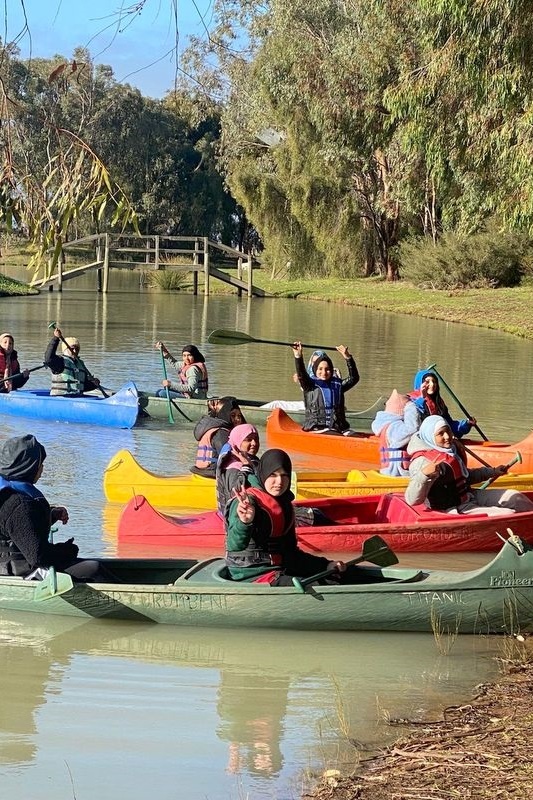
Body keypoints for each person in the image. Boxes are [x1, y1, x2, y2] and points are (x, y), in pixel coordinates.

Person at [224, 448, 347, 584]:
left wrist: (325, 565)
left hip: (280, 568)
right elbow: (234, 545)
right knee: (327, 584)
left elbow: (292, 554)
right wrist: (245, 523)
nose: (279, 482)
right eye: (273, 475)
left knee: (344, 574)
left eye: (284, 475)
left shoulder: (284, 503)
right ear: (264, 474)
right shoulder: (246, 502)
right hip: (251, 573)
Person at [0, 434, 114, 581]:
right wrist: (67, 551)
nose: (42, 469)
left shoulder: (9, 494)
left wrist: (51, 515)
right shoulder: (19, 504)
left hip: (19, 564)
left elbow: (16, 527)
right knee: (94, 569)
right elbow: (38, 556)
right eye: (39, 465)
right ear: (28, 468)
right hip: (21, 571)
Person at [404, 415, 533, 515]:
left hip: (469, 496)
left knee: (516, 498)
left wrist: (493, 471)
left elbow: (466, 476)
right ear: (431, 437)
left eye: (448, 431)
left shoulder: (450, 450)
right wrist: (424, 475)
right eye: (440, 434)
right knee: (509, 514)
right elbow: (412, 499)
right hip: (453, 508)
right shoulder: (423, 461)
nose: (447, 436)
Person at [292, 341, 359, 434]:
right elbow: (301, 374)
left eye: (327, 369)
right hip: (316, 428)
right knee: (331, 433)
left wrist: (347, 357)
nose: (324, 372)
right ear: (315, 370)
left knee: (353, 435)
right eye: (320, 369)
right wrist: (298, 356)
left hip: (339, 429)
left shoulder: (338, 385)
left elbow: (354, 378)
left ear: (331, 370)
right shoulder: (309, 385)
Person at [190, 396, 246, 478]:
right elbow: (226, 456)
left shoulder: (216, 428)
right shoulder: (221, 433)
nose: (237, 419)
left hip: (205, 471)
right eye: (233, 416)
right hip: (211, 473)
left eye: (239, 416)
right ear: (225, 415)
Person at [410, 368, 475, 438]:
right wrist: (422, 397)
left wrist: (466, 424)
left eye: (434, 381)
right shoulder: (410, 400)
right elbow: (412, 418)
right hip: (420, 440)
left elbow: (449, 426)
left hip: (439, 439)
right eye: (427, 381)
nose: (432, 384)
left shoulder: (439, 403)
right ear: (420, 384)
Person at [371, 389, 421, 477]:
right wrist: (411, 407)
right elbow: (412, 429)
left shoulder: (386, 425)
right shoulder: (393, 427)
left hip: (392, 470)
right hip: (397, 473)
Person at [216, 423, 260, 516]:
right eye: (248, 440)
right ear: (237, 441)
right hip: (237, 517)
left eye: (256, 439)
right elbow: (236, 493)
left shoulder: (250, 460)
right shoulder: (233, 467)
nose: (254, 443)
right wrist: (246, 467)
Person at [44, 327, 101, 396]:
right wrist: (56, 338)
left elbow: (83, 385)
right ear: (65, 349)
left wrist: (93, 384)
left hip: (77, 399)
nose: (75, 351)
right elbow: (48, 359)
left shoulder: (80, 364)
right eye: (72, 348)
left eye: (77, 349)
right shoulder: (59, 362)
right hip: (60, 399)